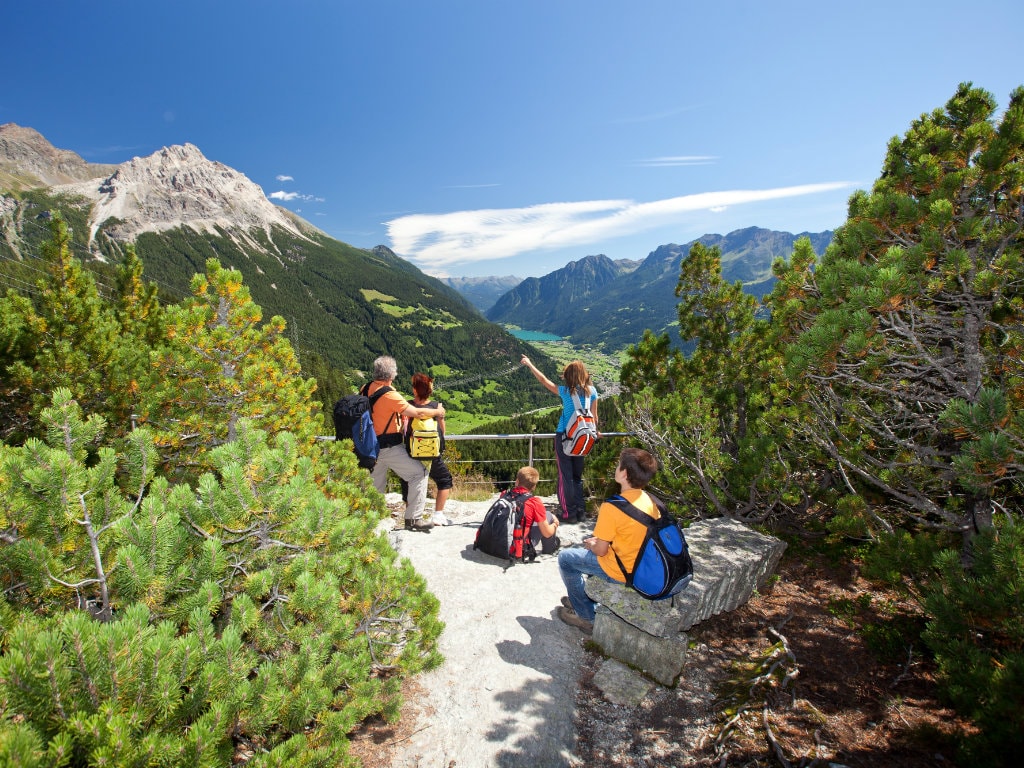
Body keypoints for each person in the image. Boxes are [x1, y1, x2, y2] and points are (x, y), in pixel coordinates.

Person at [555, 447, 660, 634]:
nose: (616, 468)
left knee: (566, 559)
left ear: (624, 474)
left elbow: (601, 551)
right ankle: (581, 598)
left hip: (622, 571)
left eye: (619, 465)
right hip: (640, 566)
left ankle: (585, 616)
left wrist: (592, 544)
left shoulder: (613, 507)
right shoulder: (651, 501)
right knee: (585, 555)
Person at [364, 356, 445, 532]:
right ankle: (413, 519)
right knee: (419, 473)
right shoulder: (390, 395)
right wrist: (437, 411)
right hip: (389, 447)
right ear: (391, 374)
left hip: (370, 448)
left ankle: (372, 524)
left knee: (375, 486)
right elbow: (416, 413)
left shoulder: (366, 388)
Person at [520, 355, 599, 523]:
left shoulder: (565, 391)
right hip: (584, 437)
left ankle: (568, 513)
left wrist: (529, 363)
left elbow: (544, 380)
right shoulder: (592, 392)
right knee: (577, 476)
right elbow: (595, 417)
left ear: (570, 375)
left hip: (564, 436)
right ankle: (580, 512)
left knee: (565, 476)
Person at [400, 372, 455, 526]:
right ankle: (438, 514)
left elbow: (402, 428)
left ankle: (410, 515)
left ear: (415, 390)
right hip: (432, 453)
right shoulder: (437, 406)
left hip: (412, 452)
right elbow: (442, 430)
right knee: (444, 480)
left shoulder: (408, 405)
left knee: (408, 480)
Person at [513, 466, 560, 554]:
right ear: (534, 487)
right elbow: (547, 533)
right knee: (548, 515)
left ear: (517, 481)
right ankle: (550, 548)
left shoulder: (505, 495)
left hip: (503, 541)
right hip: (519, 546)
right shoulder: (534, 502)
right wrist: (555, 524)